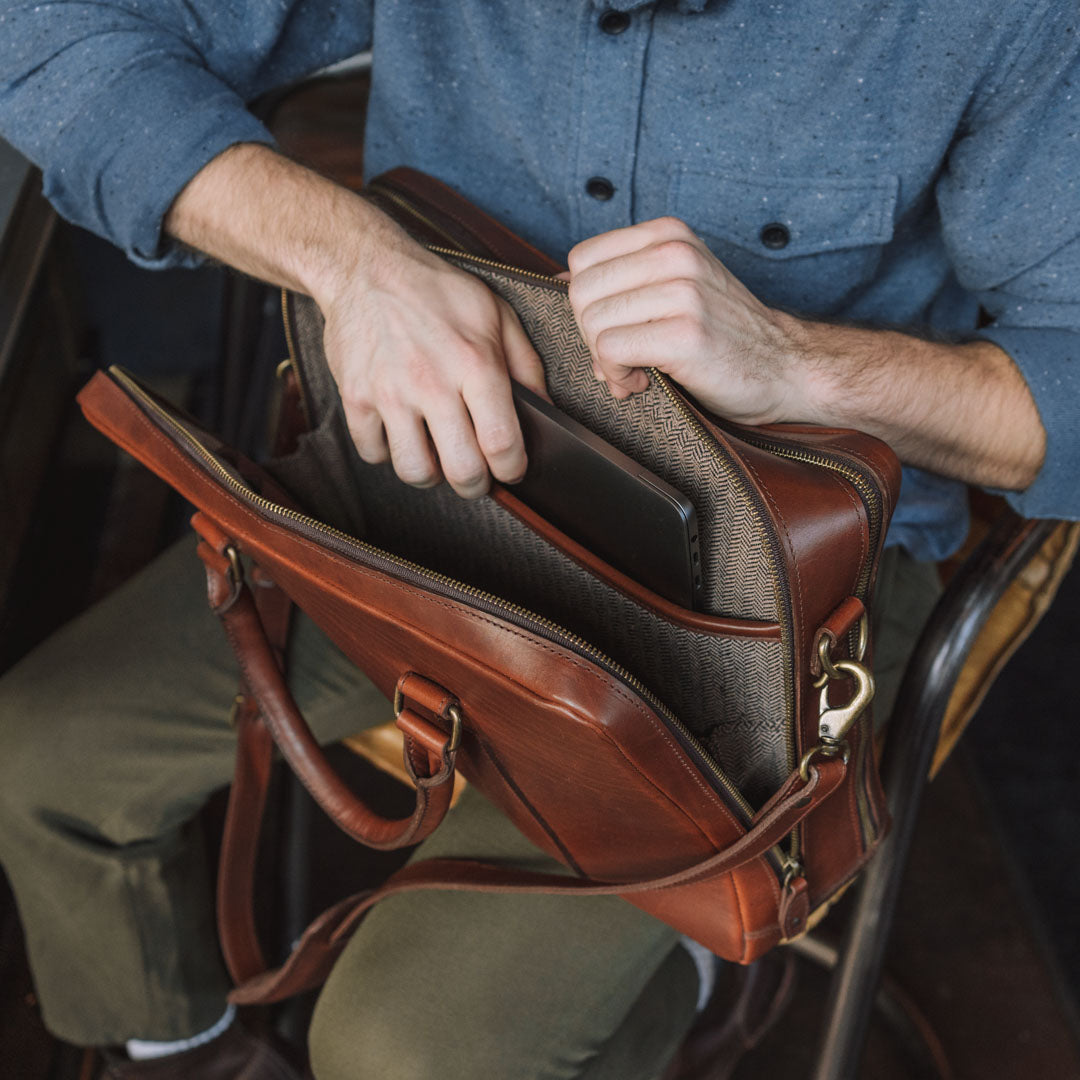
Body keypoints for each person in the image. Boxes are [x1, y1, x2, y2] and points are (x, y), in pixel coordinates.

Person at [0, 1, 1077, 1078]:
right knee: (41, 756)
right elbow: (50, 37)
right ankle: (186, 1053)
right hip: (428, 495)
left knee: (406, 1051)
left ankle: (690, 977)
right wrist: (352, 260)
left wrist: (801, 363)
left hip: (763, 614)